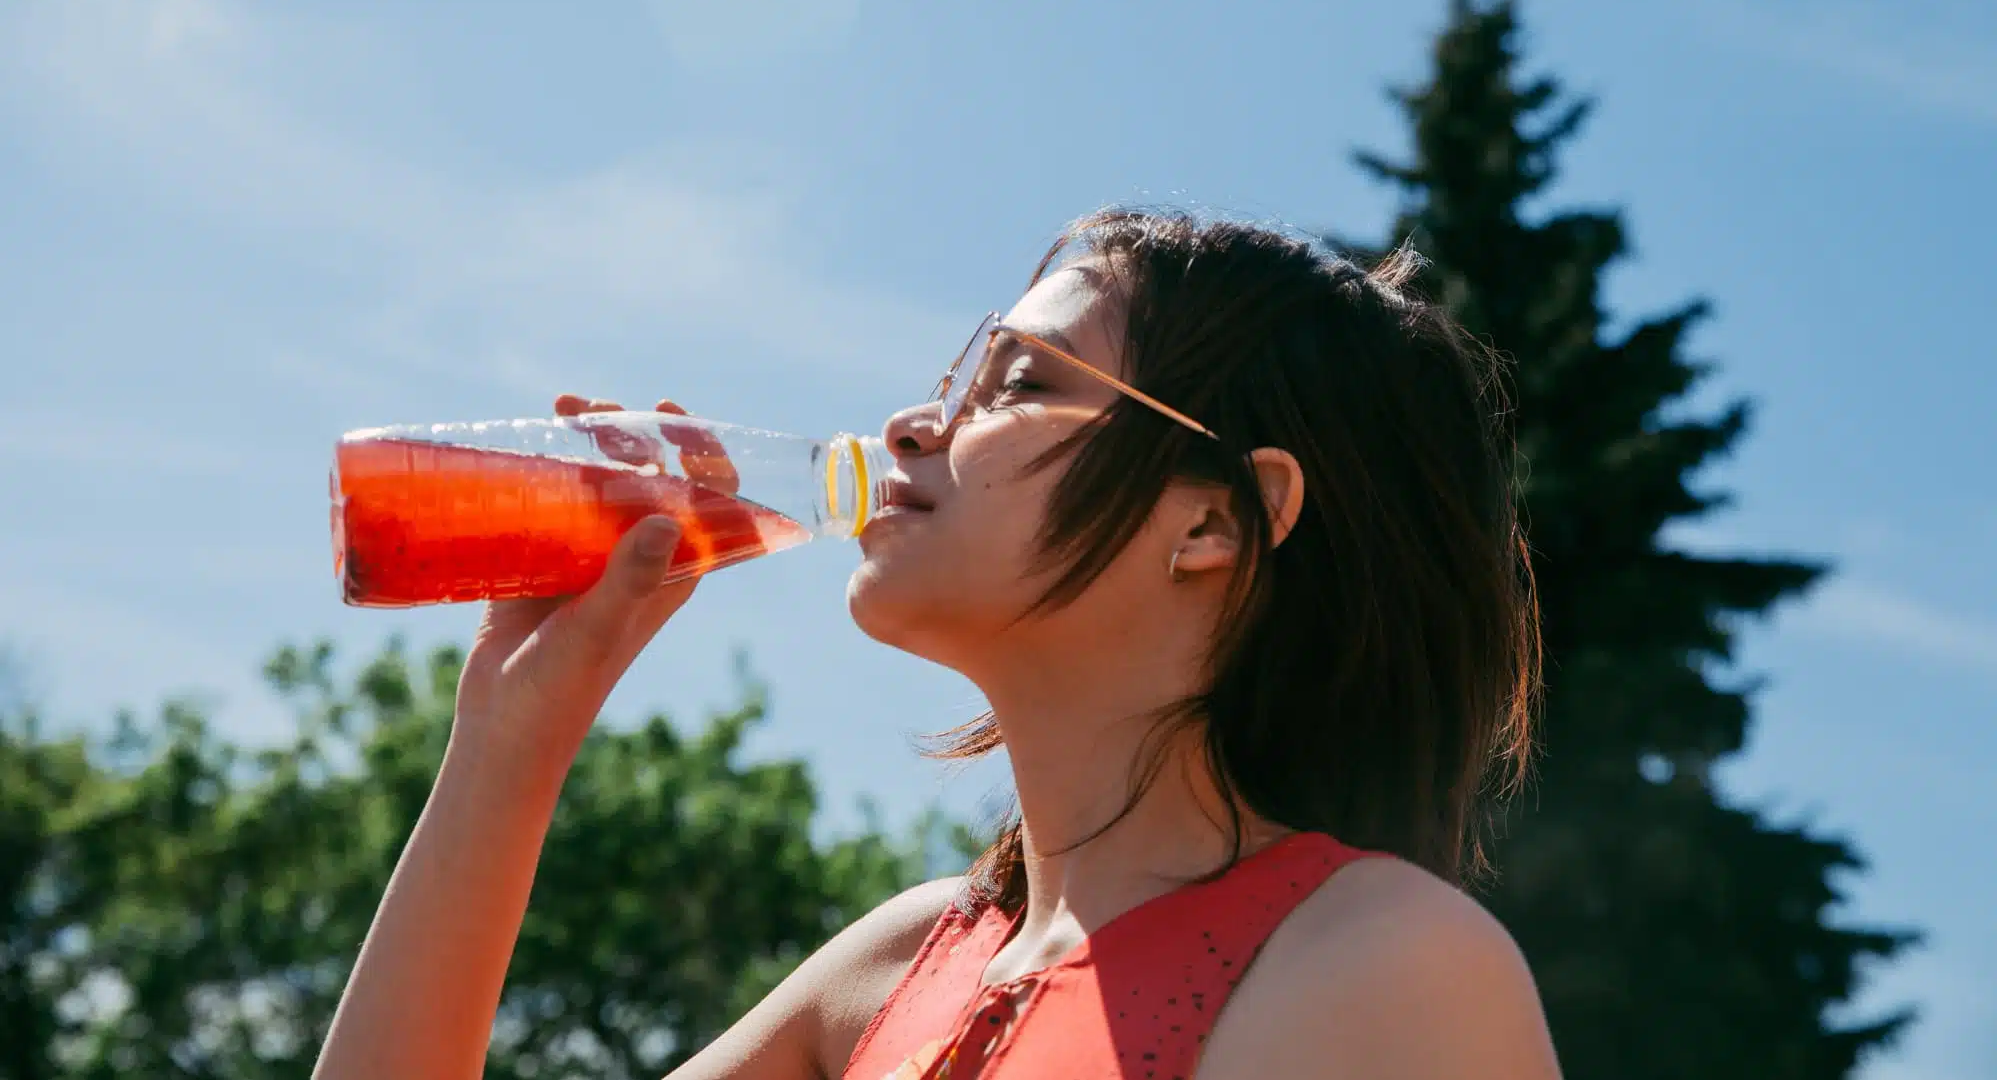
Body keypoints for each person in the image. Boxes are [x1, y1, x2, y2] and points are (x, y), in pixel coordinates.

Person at [312, 209, 1563, 1079]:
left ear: (1211, 519)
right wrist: (509, 735)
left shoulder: (1383, 966)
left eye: (1018, 383)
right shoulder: (898, 966)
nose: (916, 421)